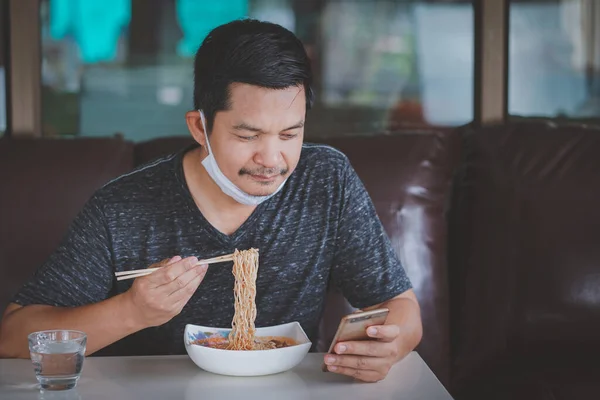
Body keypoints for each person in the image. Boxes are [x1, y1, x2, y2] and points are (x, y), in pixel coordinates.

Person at [0, 19, 422, 383]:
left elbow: (400, 307)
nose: (272, 160)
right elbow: (14, 336)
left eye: (290, 134)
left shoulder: (325, 181)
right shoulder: (123, 208)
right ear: (200, 127)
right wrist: (133, 310)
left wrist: (391, 344)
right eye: (247, 136)